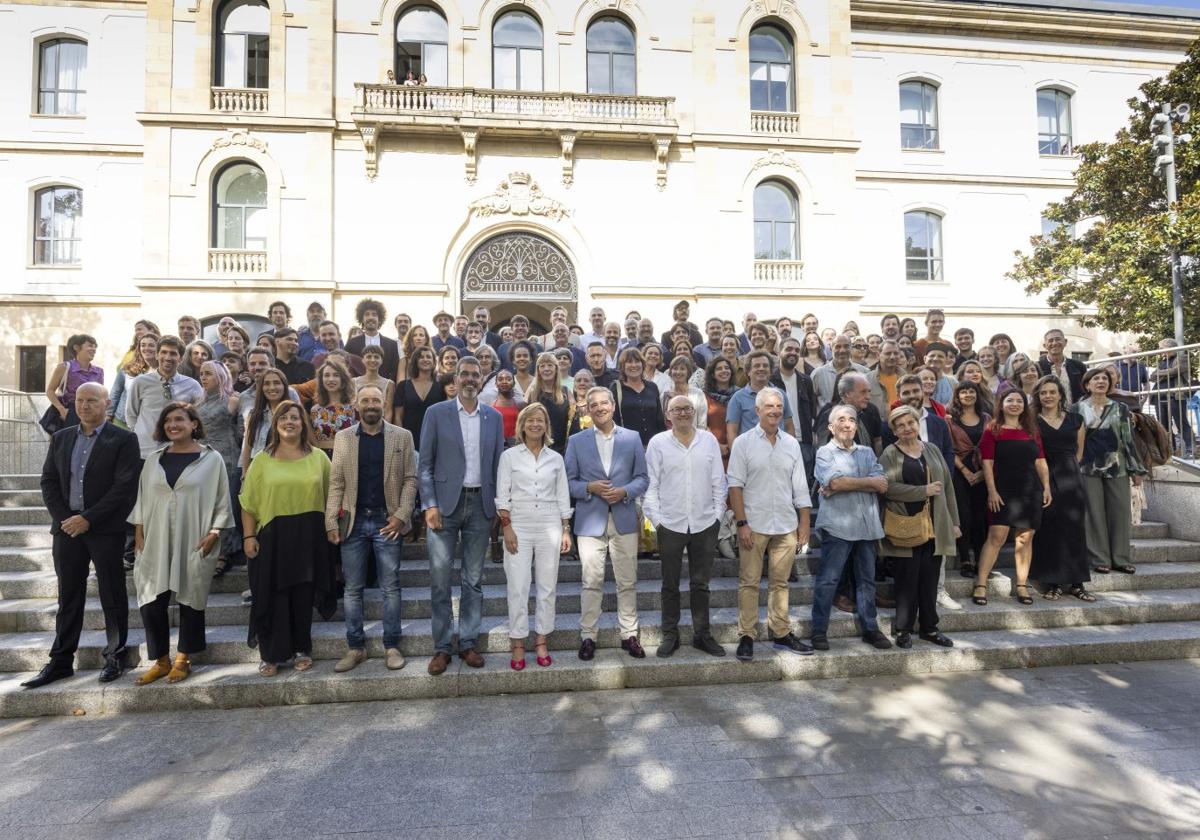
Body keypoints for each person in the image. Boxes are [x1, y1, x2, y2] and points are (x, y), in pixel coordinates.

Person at [23, 383, 140, 689]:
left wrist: (88, 519)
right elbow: (48, 481)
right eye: (79, 400)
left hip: (105, 529)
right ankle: (61, 661)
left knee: (112, 595)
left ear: (106, 405)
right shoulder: (61, 437)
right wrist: (66, 519)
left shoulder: (124, 440)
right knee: (68, 596)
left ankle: (115, 655)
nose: (84, 405)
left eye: (91, 400)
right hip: (66, 530)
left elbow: (124, 487)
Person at [130, 403, 233, 684]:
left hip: (195, 536)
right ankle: (160, 660)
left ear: (193, 424)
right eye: (167, 421)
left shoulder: (211, 460)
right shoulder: (153, 460)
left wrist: (214, 532)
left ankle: (182, 659)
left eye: (179, 419)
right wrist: (138, 532)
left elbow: (222, 500)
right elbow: (142, 498)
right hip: (155, 538)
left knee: (191, 598)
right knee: (151, 599)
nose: (172, 425)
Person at [419, 357, 504, 674]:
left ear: (482, 380)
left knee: (473, 580)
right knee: (440, 581)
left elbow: (498, 464)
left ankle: (468, 642)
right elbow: (424, 464)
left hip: (480, 506)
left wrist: (497, 505)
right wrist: (429, 504)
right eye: (464, 374)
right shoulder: (436, 413)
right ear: (454, 379)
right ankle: (442, 647)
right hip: (443, 507)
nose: (470, 379)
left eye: (475, 375)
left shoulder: (492, 417)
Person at [240, 400, 337, 676]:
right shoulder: (262, 459)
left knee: (302, 596)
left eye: (295, 417)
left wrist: (332, 527)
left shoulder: (319, 458)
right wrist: (248, 536)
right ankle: (270, 655)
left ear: (303, 422)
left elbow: (333, 496)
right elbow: (248, 502)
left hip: (309, 535)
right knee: (272, 595)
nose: (289, 422)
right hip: (272, 536)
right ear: (276, 424)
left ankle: (301, 649)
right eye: (284, 418)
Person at [325, 385, 418, 672]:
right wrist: (330, 520)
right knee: (353, 589)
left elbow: (410, 480)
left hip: (386, 521)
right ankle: (356, 648)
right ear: (356, 404)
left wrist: (402, 515)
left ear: (384, 403)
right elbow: (337, 481)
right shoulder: (343, 438)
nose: (370, 404)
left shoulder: (402, 436)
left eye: (375, 400)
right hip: (352, 522)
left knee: (391, 587)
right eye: (365, 400)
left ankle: (392, 645)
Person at [726, 388, 814, 661]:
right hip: (754, 523)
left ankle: (781, 632)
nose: (775, 410)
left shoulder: (791, 444)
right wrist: (741, 523)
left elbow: (800, 485)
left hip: (786, 524)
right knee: (749, 582)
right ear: (757, 411)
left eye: (779, 406)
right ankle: (747, 636)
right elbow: (735, 486)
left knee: (781, 583)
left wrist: (804, 523)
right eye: (769, 406)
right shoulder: (743, 443)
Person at [565, 387, 649, 660]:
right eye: (594, 404)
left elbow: (642, 478)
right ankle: (588, 636)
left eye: (604, 403)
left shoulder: (632, 438)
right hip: (590, 521)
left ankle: (629, 635)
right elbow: (567, 482)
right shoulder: (576, 441)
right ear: (587, 409)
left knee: (627, 581)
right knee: (591, 581)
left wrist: (625, 491)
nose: (600, 407)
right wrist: (589, 487)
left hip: (623, 517)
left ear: (613, 406)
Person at [643, 394, 727, 658]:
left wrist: (717, 517)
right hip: (671, 522)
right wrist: (658, 521)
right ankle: (671, 634)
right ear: (668, 415)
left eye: (687, 408)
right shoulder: (658, 443)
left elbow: (719, 481)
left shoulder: (708, 440)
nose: (682, 413)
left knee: (700, 584)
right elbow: (651, 485)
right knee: (670, 585)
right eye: (676, 409)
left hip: (704, 523)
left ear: (694, 412)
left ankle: (702, 634)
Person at [495, 403, 571, 670]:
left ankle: (541, 639)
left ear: (546, 425)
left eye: (540, 420)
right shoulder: (510, 457)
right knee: (518, 585)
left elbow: (563, 495)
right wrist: (507, 527)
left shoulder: (556, 459)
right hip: (519, 523)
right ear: (522, 425)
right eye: (531, 420)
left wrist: (565, 529)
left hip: (550, 522)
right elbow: (502, 494)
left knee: (547, 585)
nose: (535, 424)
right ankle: (517, 642)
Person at [810, 405, 891, 652]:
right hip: (837, 526)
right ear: (831, 427)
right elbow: (834, 481)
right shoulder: (825, 452)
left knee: (866, 580)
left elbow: (883, 484)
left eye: (852, 420)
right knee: (828, 579)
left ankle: (870, 629)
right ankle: (818, 631)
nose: (847, 424)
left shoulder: (867, 452)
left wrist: (846, 484)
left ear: (857, 426)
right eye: (841, 420)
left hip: (866, 526)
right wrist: (866, 483)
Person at [879, 405, 959, 649]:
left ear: (917, 423)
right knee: (906, 580)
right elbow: (886, 487)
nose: (906, 428)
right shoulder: (889, 454)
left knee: (929, 579)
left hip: (935, 524)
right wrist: (921, 491)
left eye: (910, 423)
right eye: (900, 425)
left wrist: (954, 521)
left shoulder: (932, 449)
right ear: (894, 430)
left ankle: (929, 628)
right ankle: (903, 629)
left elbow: (946, 486)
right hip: (906, 526)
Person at [972, 388, 1052, 607]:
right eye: (1010, 400)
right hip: (1003, 489)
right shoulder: (993, 429)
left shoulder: (1031, 430)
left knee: (1025, 538)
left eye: (1019, 401)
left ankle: (1022, 585)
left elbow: (1040, 461)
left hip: (1030, 490)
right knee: (996, 536)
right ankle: (981, 583)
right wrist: (992, 491)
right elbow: (987, 463)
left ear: (1024, 406)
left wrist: (1046, 487)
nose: (1015, 404)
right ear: (1002, 404)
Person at [1073, 367, 1148, 575]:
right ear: (1087, 384)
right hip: (1087, 466)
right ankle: (1099, 558)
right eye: (1095, 378)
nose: (1100, 381)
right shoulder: (1076, 409)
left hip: (1118, 466)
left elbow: (1128, 439)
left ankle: (1121, 558)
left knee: (1120, 512)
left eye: (1104, 378)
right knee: (1094, 513)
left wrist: (1136, 469)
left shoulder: (1121, 408)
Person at [1030, 376, 1091, 600]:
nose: (1047, 396)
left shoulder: (1076, 419)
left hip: (1070, 477)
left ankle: (1077, 582)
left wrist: (1069, 471)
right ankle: (1052, 581)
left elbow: (1079, 453)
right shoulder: (1032, 420)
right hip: (1043, 477)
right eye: (1043, 392)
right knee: (1049, 529)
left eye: (1052, 392)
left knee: (1074, 528)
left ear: (1060, 395)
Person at [196, 361, 243, 575]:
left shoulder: (233, 400)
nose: (203, 377)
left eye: (208, 374)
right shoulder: (197, 401)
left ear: (220, 376)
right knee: (208, 505)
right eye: (201, 374)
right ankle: (208, 547)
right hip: (202, 457)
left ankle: (226, 552)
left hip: (228, 457)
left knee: (228, 504)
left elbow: (243, 431)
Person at [125, 336, 205, 459]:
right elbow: (131, 415)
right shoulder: (140, 382)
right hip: (145, 451)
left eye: (173, 353)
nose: (168, 357)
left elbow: (198, 418)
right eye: (164, 352)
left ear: (181, 358)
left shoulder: (192, 385)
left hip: (178, 451)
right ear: (157, 355)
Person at [946, 381, 990, 578]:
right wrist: (965, 471)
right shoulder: (949, 419)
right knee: (963, 516)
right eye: (964, 391)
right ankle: (965, 560)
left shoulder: (987, 418)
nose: (968, 394)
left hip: (983, 471)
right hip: (959, 472)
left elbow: (991, 447)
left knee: (980, 517)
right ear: (957, 395)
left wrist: (982, 473)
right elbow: (948, 449)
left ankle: (982, 559)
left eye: (972, 391)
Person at [727, 351, 796, 440]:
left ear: (770, 371)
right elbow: (732, 432)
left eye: (765, 366)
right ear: (748, 372)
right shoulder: (737, 398)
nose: (761, 368)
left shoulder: (781, 394)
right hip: (750, 451)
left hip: (779, 449)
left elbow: (789, 426)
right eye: (756, 366)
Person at [610, 347, 666, 447]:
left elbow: (659, 419)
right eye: (629, 362)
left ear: (643, 364)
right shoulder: (616, 388)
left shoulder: (652, 387)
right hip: (627, 446)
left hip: (653, 445)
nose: (634, 365)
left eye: (637, 361)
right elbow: (614, 419)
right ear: (623, 366)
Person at [46, 334, 103, 429]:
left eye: (94, 346)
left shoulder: (99, 371)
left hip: (92, 413)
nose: (94, 349)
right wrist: (62, 410)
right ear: (76, 347)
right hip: (71, 412)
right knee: (68, 442)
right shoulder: (64, 367)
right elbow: (50, 391)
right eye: (89, 345)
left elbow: (100, 395)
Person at [240, 368, 291, 472]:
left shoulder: (294, 413)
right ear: (261, 388)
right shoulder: (254, 415)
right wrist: (244, 475)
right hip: (259, 469)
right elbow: (247, 448)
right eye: (267, 383)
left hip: (286, 468)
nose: (272, 387)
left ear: (284, 386)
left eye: (276, 383)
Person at [394, 346, 444, 451]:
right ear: (415, 361)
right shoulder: (403, 386)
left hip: (435, 438)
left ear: (434, 362)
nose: (425, 359)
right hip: (409, 439)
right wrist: (402, 438)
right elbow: (398, 416)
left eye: (428, 357)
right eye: (421, 357)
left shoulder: (441, 386)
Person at [1150, 338, 1194, 458]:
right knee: (1163, 425)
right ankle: (1171, 450)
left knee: (1181, 422)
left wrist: (1160, 373)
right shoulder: (1162, 362)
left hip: (1175, 396)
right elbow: (1152, 377)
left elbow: (1177, 370)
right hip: (1160, 396)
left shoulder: (1182, 358)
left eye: (1161, 348)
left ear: (1170, 347)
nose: (1159, 351)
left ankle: (1191, 449)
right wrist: (1164, 372)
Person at [525, 352, 574, 456]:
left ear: (556, 369)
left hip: (561, 449)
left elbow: (573, 420)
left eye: (550, 365)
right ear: (538, 370)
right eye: (542, 366)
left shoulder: (566, 392)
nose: (546, 369)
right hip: (537, 449)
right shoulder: (532, 392)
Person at [109, 331, 159, 428]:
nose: (146, 348)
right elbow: (115, 393)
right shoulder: (127, 369)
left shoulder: (164, 373)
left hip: (147, 425)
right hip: (121, 421)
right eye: (143, 345)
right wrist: (108, 416)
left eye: (151, 345)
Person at [310, 358, 358, 456]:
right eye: (326, 375)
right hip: (322, 459)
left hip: (348, 457)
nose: (331, 379)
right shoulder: (315, 410)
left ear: (343, 379)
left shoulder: (354, 408)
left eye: (336, 375)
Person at [345, 298, 401, 381]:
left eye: (374, 314)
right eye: (367, 314)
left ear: (379, 319)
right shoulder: (352, 343)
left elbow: (395, 371)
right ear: (362, 319)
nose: (370, 317)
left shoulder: (391, 345)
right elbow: (347, 368)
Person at [811, 334, 868, 409]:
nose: (842, 350)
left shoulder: (864, 372)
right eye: (838, 347)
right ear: (831, 348)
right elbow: (811, 402)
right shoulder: (818, 374)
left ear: (851, 348)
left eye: (846, 346)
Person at [704, 356, 738, 465]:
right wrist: (718, 445)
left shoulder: (740, 395)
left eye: (727, 368)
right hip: (713, 450)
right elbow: (702, 424)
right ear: (712, 374)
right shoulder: (705, 396)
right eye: (719, 368)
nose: (724, 371)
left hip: (739, 450)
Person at [1037, 329, 1087, 403]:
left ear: (1065, 342)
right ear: (1045, 345)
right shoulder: (1037, 367)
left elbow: (1086, 390)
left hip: (1074, 412)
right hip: (1047, 412)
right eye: (1050, 340)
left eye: (1058, 339)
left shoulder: (1079, 367)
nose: (1054, 343)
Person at [662, 354, 707, 430]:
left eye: (682, 369)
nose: (678, 372)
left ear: (688, 372)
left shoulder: (698, 394)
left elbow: (702, 423)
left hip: (694, 437)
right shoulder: (664, 396)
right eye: (675, 369)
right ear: (670, 372)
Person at [353, 344, 395, 422]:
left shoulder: (389, 384)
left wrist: (385, 431)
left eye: (376, 357)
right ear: (363, 360)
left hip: (379, 426)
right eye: (369, 356)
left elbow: (388, 411)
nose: (372, 360)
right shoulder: (353, 382)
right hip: (356, 426)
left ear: (381, 360)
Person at [867, 340, 904, 417]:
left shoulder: (907, 378)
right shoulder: (867, 380)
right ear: (878, 355)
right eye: (888, 353)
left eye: (896, 353)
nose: (892, 357)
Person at [490, 369, 524, 445]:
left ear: (514, 383)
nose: (504, 381)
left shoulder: (520, 405)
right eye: (500, 379)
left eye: (508, 379)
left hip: (517, 446)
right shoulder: (491, 408)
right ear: (496, 383)